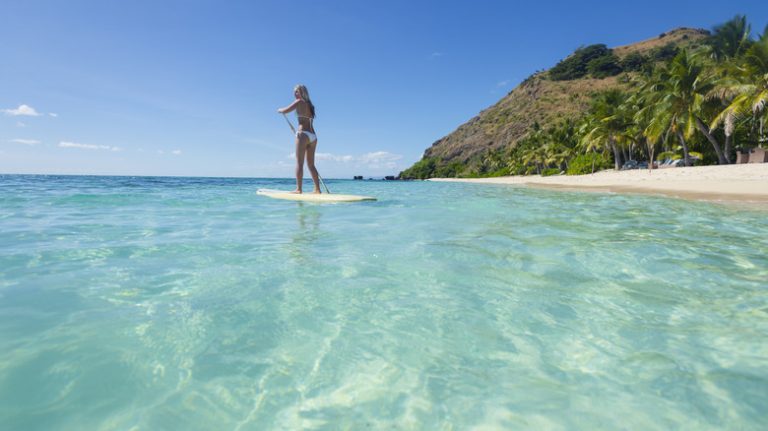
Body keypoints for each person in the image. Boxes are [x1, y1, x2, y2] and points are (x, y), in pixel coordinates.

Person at [277, 85, 320, 194]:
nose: (295, 94)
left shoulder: (299, 102)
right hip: (313, 137)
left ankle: (299, 189)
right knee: (311, 165)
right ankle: (317, 189)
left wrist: (280, 110)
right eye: (294, 92)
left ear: (303, 92)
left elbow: (285, 110)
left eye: (297, 92)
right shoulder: (310, 105)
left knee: (299, 163)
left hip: (303, 135)